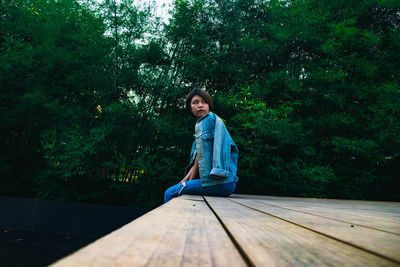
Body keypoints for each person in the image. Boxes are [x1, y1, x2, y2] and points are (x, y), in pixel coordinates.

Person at [164, 88, 239, 203]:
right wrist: (184, 182)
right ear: (190, 108)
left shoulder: (208, 120)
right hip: (227, 183)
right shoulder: (209, 123)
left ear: (209, 105)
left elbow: (199, 160)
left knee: (169, 193)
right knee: (180, 189)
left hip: (219, 182)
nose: (200, 105)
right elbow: (197, 162)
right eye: (195, 102)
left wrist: (187, 184)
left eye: (204, 102)